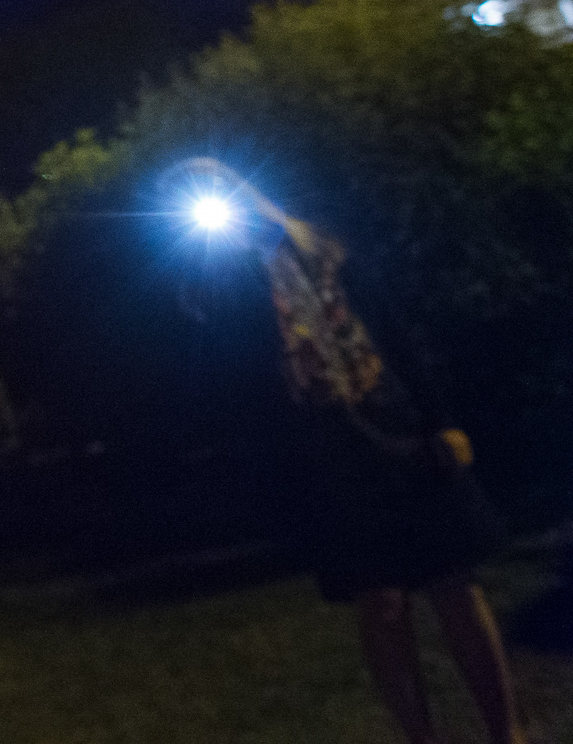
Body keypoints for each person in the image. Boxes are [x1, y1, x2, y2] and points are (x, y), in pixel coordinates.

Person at [177, 160, 526, 744]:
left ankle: (506, 734)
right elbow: (229, 376)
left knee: (455, 582)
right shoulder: (219, 281)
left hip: (400, 426)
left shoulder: (323, 245)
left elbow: (393, 331)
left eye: (217, 186)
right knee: (382, 602)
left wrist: (441, 419)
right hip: (328, 455)